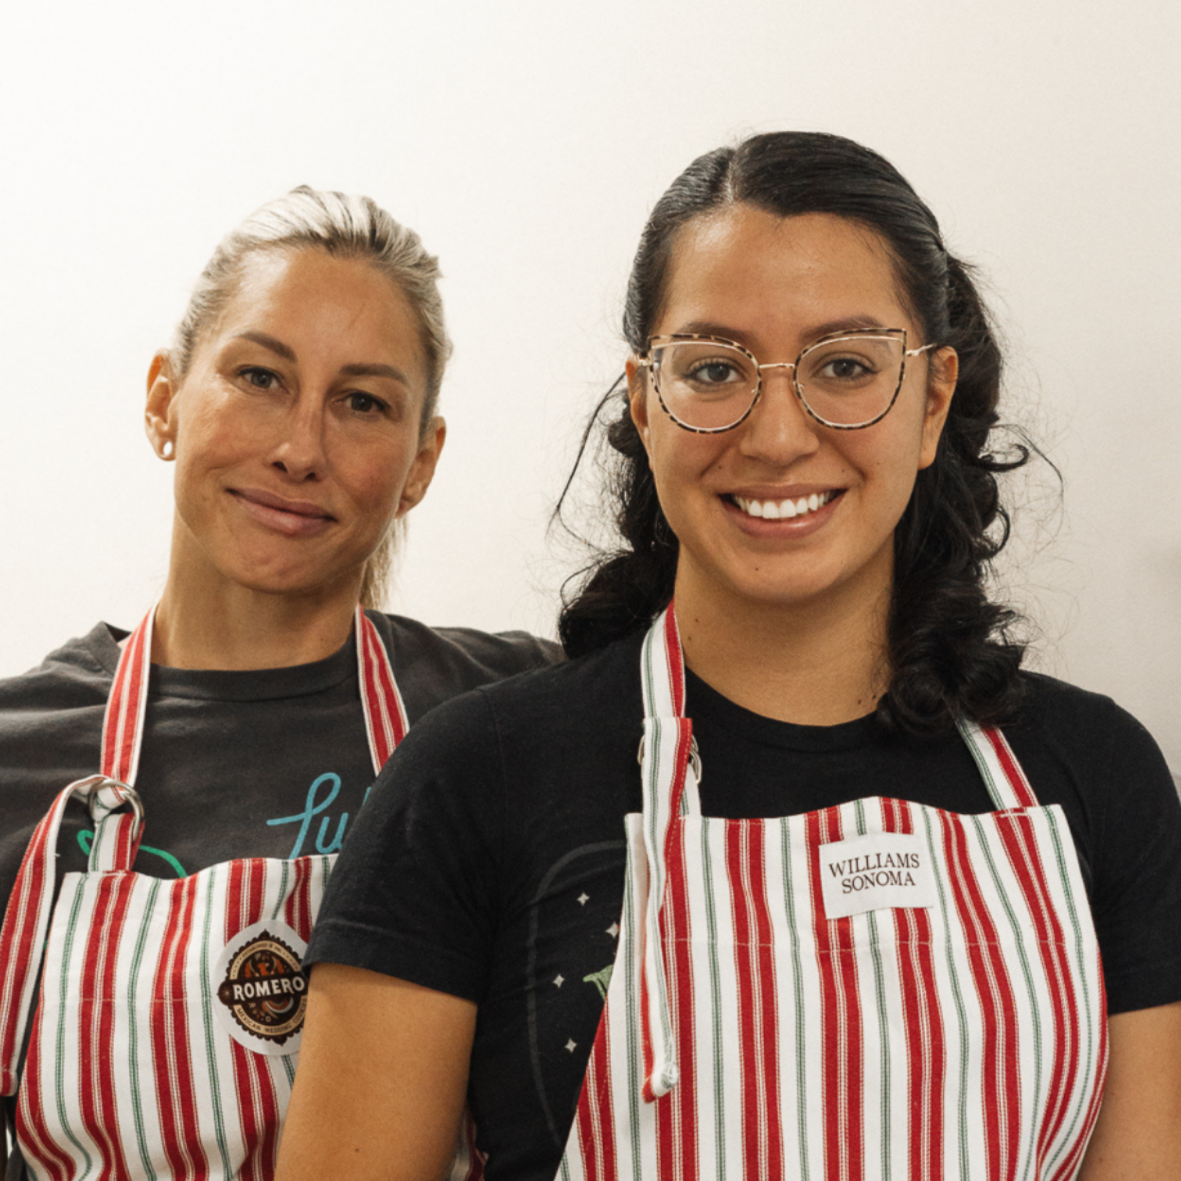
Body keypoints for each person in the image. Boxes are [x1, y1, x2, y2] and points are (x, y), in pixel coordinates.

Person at [277, 134, 1181, 1180]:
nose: (776, 433)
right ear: (643, 400)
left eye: (844, 365)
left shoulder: (1097, 779)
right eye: (713, 369)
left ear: (932, 399)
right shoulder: (473, 779)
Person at [0, 187, 557, 1179]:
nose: (300, 447)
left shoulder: (515, 717)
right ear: (164, 397)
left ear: (421, 460)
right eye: (259, 375)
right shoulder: (17, 752)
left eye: (362, 402)